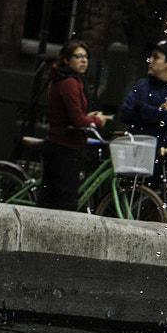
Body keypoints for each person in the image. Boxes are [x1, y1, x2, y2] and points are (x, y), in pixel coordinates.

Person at [41, 38, 110, 211]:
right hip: (64, 147)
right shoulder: (69, 82)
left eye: (86, 57)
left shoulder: (63, 79)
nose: (84, 60)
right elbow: (77, 120)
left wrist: (87, 117)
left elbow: (71, 115)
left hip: (58, 144)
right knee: (66, 203)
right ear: (66, 59)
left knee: (49, 202)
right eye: (78, 56)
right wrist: (96, 120)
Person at [118, 39, 167, 153]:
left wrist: (141, 108)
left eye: (156, 57)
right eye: (150, 56)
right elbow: (125, 114)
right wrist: (158, 112)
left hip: (163, 154)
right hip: (135, 151)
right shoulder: (142, 85)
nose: (150, 60)